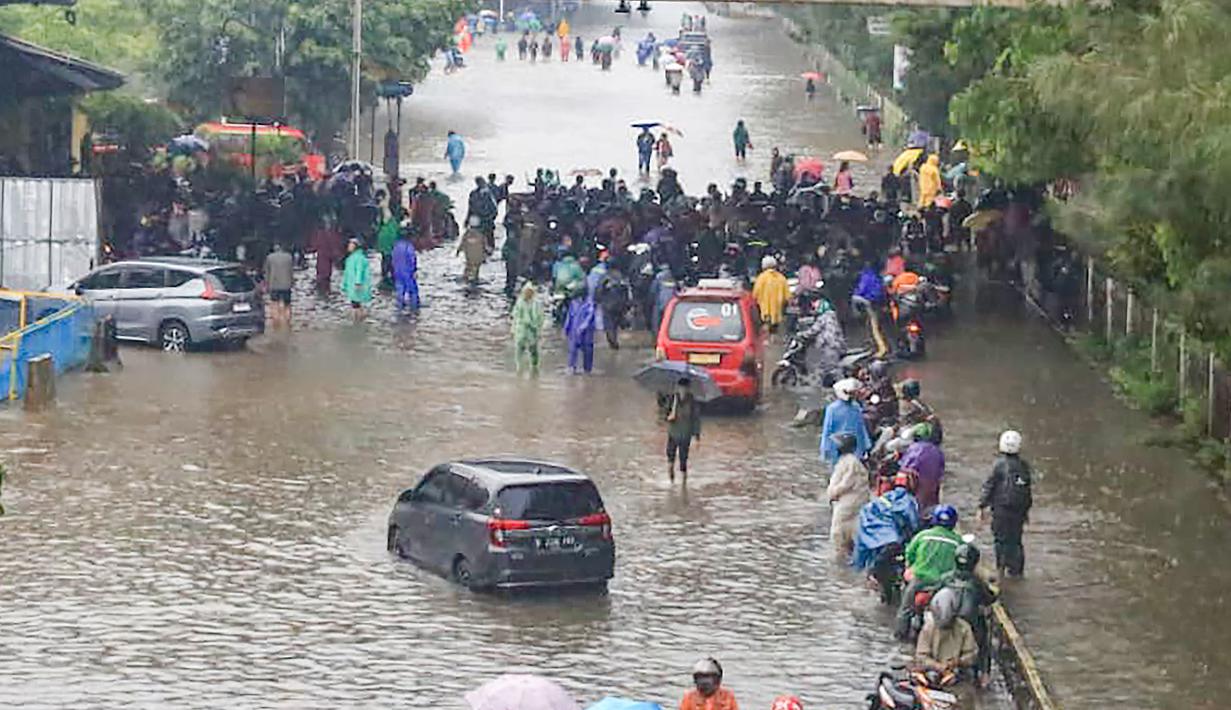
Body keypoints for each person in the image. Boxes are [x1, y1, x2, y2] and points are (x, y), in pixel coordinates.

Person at [897, 504, 962, 639]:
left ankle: (900, 635)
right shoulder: (957, 541)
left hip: (920, 579)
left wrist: (913, 566)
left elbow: (909, 554)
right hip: (944, 583)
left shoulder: (923, 536)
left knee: (905, 609)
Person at [941, 543, 999, 684]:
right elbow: (989, 599)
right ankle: (984, 672)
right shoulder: (977, 582)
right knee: (984, 641)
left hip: (947, 620)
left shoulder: (945, 578)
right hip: (970, 622)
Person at [978, 430, 1033, 578]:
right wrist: (1026, 511)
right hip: (1018, 511)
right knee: (1016, 541)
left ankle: (1001, 570)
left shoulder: (998, 465)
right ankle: (1017, 572)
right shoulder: (1024, 466)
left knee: (1001, 541)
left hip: (1001, 510)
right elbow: (1027, 491)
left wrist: (982, 505)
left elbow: (989, 486)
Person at [852, 470, 921, 572]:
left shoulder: (884, 498)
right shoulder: (908, 501)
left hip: (866, 532)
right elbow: (914, 525)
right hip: (888, 539)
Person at [915, 587, 978, 677]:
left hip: (958, 670)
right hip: (932, 671)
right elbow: (921, 656)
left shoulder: (964, 628)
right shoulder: (928, 628)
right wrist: (936, 666)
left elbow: (972, 654)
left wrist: (957, 662)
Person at [826, 432, 868, 555]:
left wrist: (832, 493)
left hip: (848, 503)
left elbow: (846, 483)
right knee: (848, 532)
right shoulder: (848, 461)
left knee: (838, 532)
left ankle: (840, 561)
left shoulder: (850, 462)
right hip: (849, 501)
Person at [820, 378, 872, 464]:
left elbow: (827, 431)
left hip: (838, 448)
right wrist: (867, 445)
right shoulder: (856, 407)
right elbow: (861, 428)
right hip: (855, 448)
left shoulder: (832, 409)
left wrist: (825, 449)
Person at [898, 422, 945, 514]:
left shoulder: (914, 449)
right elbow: (940, 472)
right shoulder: (938, 452)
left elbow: (904, 469)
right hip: (931, 491)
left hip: (915, 489)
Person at [664, 377, 702, 483]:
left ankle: (683, 484)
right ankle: (671, 482)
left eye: (685, 388)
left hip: (685, 435)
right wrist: (669, 416)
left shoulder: (692, 402)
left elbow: (696, 420)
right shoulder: (672, 399)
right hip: (673, 433)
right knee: (670, 460)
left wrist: (697, 437)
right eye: (681, 388)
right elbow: (665, 413)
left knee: (683, 460)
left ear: (688, 389)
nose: (682, 390)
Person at [851, 260, 888, 357]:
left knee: (874, 327)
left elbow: (861, 290)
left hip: (870, 303)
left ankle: (882, 348)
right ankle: (873, 346)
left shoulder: (866, 276)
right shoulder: (878, 276)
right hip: (878, 302)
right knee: (873, 324)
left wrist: (856, 294)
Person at [511, 282, 544, 374]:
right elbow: (515, 316)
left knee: (533, 350)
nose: (527, 293)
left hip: (532, 330)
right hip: (521, 330)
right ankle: (519, 368)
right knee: (519, 350)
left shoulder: (536, 304)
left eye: (530, 292)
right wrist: (513, 329)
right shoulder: (520, 302)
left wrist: (538, 328)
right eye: (526, 291)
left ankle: (534, 368)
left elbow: (540, 317)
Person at [751, 255, 789, 332]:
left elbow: (755, 295)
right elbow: (787, 297)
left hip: (764, 313)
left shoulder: (761, 278)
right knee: (775, 334)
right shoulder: (782, 278)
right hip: (777, 315)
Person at [562, 291, 596, 374]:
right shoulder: (573, 303)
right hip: (574, 330)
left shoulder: (590, 303)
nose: (578, 299)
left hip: (587, 331)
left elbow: (590, 316)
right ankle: (571, 367)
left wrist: (583, 326)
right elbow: (569, 316)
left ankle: (587, 369)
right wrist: (565, 329)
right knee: (572, 349)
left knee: (587, 350)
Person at [263, 243, 294, 328]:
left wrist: (266, 284)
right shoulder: (289, 257)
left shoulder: (269, 257)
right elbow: (291, 272)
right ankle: (287, 323)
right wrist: (292, 283)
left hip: (274, 285)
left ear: (274, 248)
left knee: (275, 304)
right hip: (286, 285)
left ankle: (276, 324)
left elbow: (267, 273)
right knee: (287, 305)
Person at [341, 237, 372, 322]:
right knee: (355, 303)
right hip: (352, 285)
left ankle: (357, 320)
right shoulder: (351, 258)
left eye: (351, 245)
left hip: (356, 285)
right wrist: (344, 284)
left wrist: (358, 283)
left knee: (355, 303)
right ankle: (359, 319)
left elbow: (359, 271)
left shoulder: (359, 258)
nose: (348, 247)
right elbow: (347, 272)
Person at [391, 228, 420, 312]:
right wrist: (414, 270)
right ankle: (414, 309)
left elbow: (393, 259)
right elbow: (412, 259)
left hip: (397, 271)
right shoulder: (409, 246)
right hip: (408, 272)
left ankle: (399, 307)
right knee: (413, 291)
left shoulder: (396, 245)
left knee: (400, 290)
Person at [457, 216, 487, 286]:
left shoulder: (467, 234)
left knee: (468, 266)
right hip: (479, 256)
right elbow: (485, 245)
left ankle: (466, 277)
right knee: (476, 268)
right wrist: (486, 253)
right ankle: (475, 278)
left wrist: (458, 251)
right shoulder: (481, 235)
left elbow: (462, 244)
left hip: (469, 256)